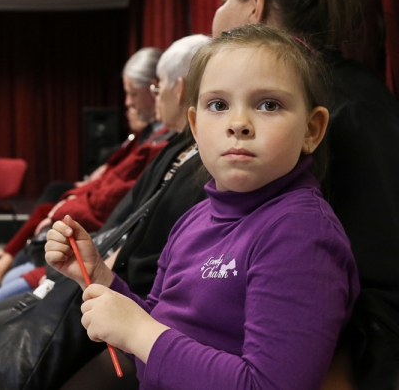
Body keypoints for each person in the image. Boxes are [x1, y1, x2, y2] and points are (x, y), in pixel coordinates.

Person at [46, 24, 360, 390]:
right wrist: (99, 277)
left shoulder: (301, 234)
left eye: (268, 104)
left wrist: (139, 331)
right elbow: (161, 331)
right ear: (194, 126)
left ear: (312, 129)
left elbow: (267, 385)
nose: (239, 124)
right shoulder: (194, 218)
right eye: (218, 105)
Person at [0, 34, 211, 390]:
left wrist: (104, 277)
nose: (234, 125)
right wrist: (97, 268)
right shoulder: (175, 146)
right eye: (216, 104)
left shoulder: (201, 162)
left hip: (145, 310)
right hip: (122, 286)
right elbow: (129, 216)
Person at [212, 0, 399, 387]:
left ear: (254, 5)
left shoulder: (351, 113)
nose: (239, 126)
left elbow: (379, 291)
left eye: (223, 0)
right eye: (218, 106)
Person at [0, 47, 173, 299]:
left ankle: (2, 268)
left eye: (132, 94)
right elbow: (112, 181)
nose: (127, 103)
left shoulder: (160, 145)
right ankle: (4, 266)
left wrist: (65, 208)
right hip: (104, 234)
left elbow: (115, 196)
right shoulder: (152, 137)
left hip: (105, 241)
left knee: (48, 219)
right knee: (52, 204)